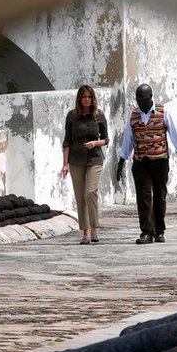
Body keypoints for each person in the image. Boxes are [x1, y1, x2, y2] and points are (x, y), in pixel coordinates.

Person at [116, 84, 177, 244]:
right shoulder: (134, 115)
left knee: (159, 196)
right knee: (143, 198)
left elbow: (175, 134)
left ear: (150, 96)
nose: (139, 101)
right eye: (137, 98)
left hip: (160, 161)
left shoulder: (163, 112)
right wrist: (122, 160)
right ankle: (147, 232)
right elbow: (128, 140)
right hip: (141, 161)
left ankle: (159, 231)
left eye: (142, 98)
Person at [60, 85, 109, 244]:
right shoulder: (72, 116)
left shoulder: (99, 115)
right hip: (76, 159)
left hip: (94, 158)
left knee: (90, 192)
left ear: (92, 98)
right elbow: (67, 141)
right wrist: (65, 164)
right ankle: (85, 232)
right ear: (79, 99)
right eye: (84, 97)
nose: (86, 99)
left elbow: (106, 140)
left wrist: (95, 143)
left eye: (89, 97)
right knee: (80, 196)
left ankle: (94, 228)